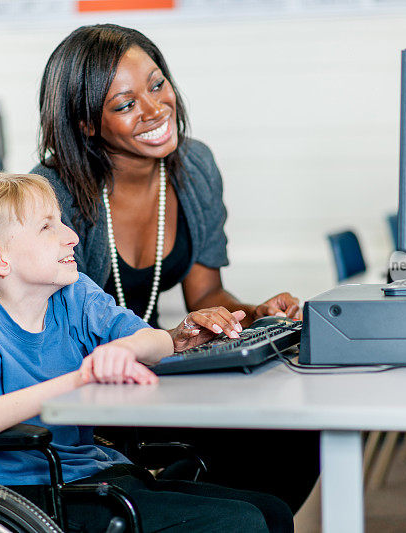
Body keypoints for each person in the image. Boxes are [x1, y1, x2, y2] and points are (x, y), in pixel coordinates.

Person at [33, 23, 319, 513]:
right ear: (86, 124)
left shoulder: (195, 166)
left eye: (157, 83)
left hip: (155, 371)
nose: (154, 109)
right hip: (88, 391)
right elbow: (56, 335)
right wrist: (170, 339)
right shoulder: (54, 195)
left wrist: (251, 314)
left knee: (294, 434)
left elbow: (205, 292)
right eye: (125, 105)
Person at [0, 172, 293, 533]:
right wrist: (82, 378)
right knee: (244, 523)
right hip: (26, 494)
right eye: (47, 227)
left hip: (93, 471)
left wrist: (124, 349)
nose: (71, 236)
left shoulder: (74, 293)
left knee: (272, 512)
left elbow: (156, 341)